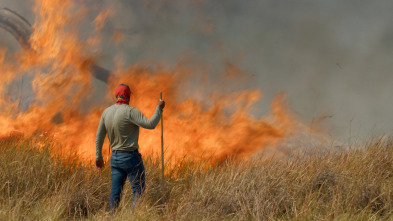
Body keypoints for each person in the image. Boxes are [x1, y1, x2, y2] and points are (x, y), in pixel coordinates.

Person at [95, 83, 165, 211]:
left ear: (116, 95)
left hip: (115, 158)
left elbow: (99, 137)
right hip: (130, 157)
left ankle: (112, 217)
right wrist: (159, 109)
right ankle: (135, 217)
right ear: (128, 96)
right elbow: (150, 124)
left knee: (115, 193)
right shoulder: (131, 111)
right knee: (138, 190)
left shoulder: (106, 112)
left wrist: (98, 157)